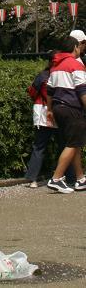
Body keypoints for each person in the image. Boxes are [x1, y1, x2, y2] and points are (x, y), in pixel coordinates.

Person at [46, 37, 86, 193]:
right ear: (75, 47)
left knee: (73, 142)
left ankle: (80, 178)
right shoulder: (76, 65)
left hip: (58, 108)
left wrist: (49, 110)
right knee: (73, 143)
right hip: (72, 108)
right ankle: (56, 178)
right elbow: (82, 90)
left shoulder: (56, 67)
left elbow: (49, 90)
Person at [24, 51, 59, 187]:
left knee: (39, 146)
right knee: (63, 145)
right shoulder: (60, 75)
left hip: (42, 112)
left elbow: (32, 92)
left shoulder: (42, 75)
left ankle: (33, 178)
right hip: (57, 112)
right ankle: (64, 175)